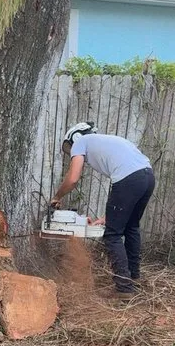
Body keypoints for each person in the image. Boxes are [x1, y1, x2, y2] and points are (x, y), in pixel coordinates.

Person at [50, 122, 155, 295]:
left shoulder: (80, 143)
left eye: (69, 148)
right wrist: (108, 217)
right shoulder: (108, 140)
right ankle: (134, 277)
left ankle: (124, 288)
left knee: (112, 234)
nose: (71, 152)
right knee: (131, 227)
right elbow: (125, 194)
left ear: (74, 138)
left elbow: (73, 179)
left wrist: (57, 197)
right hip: (147, 177)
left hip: (129, 179)